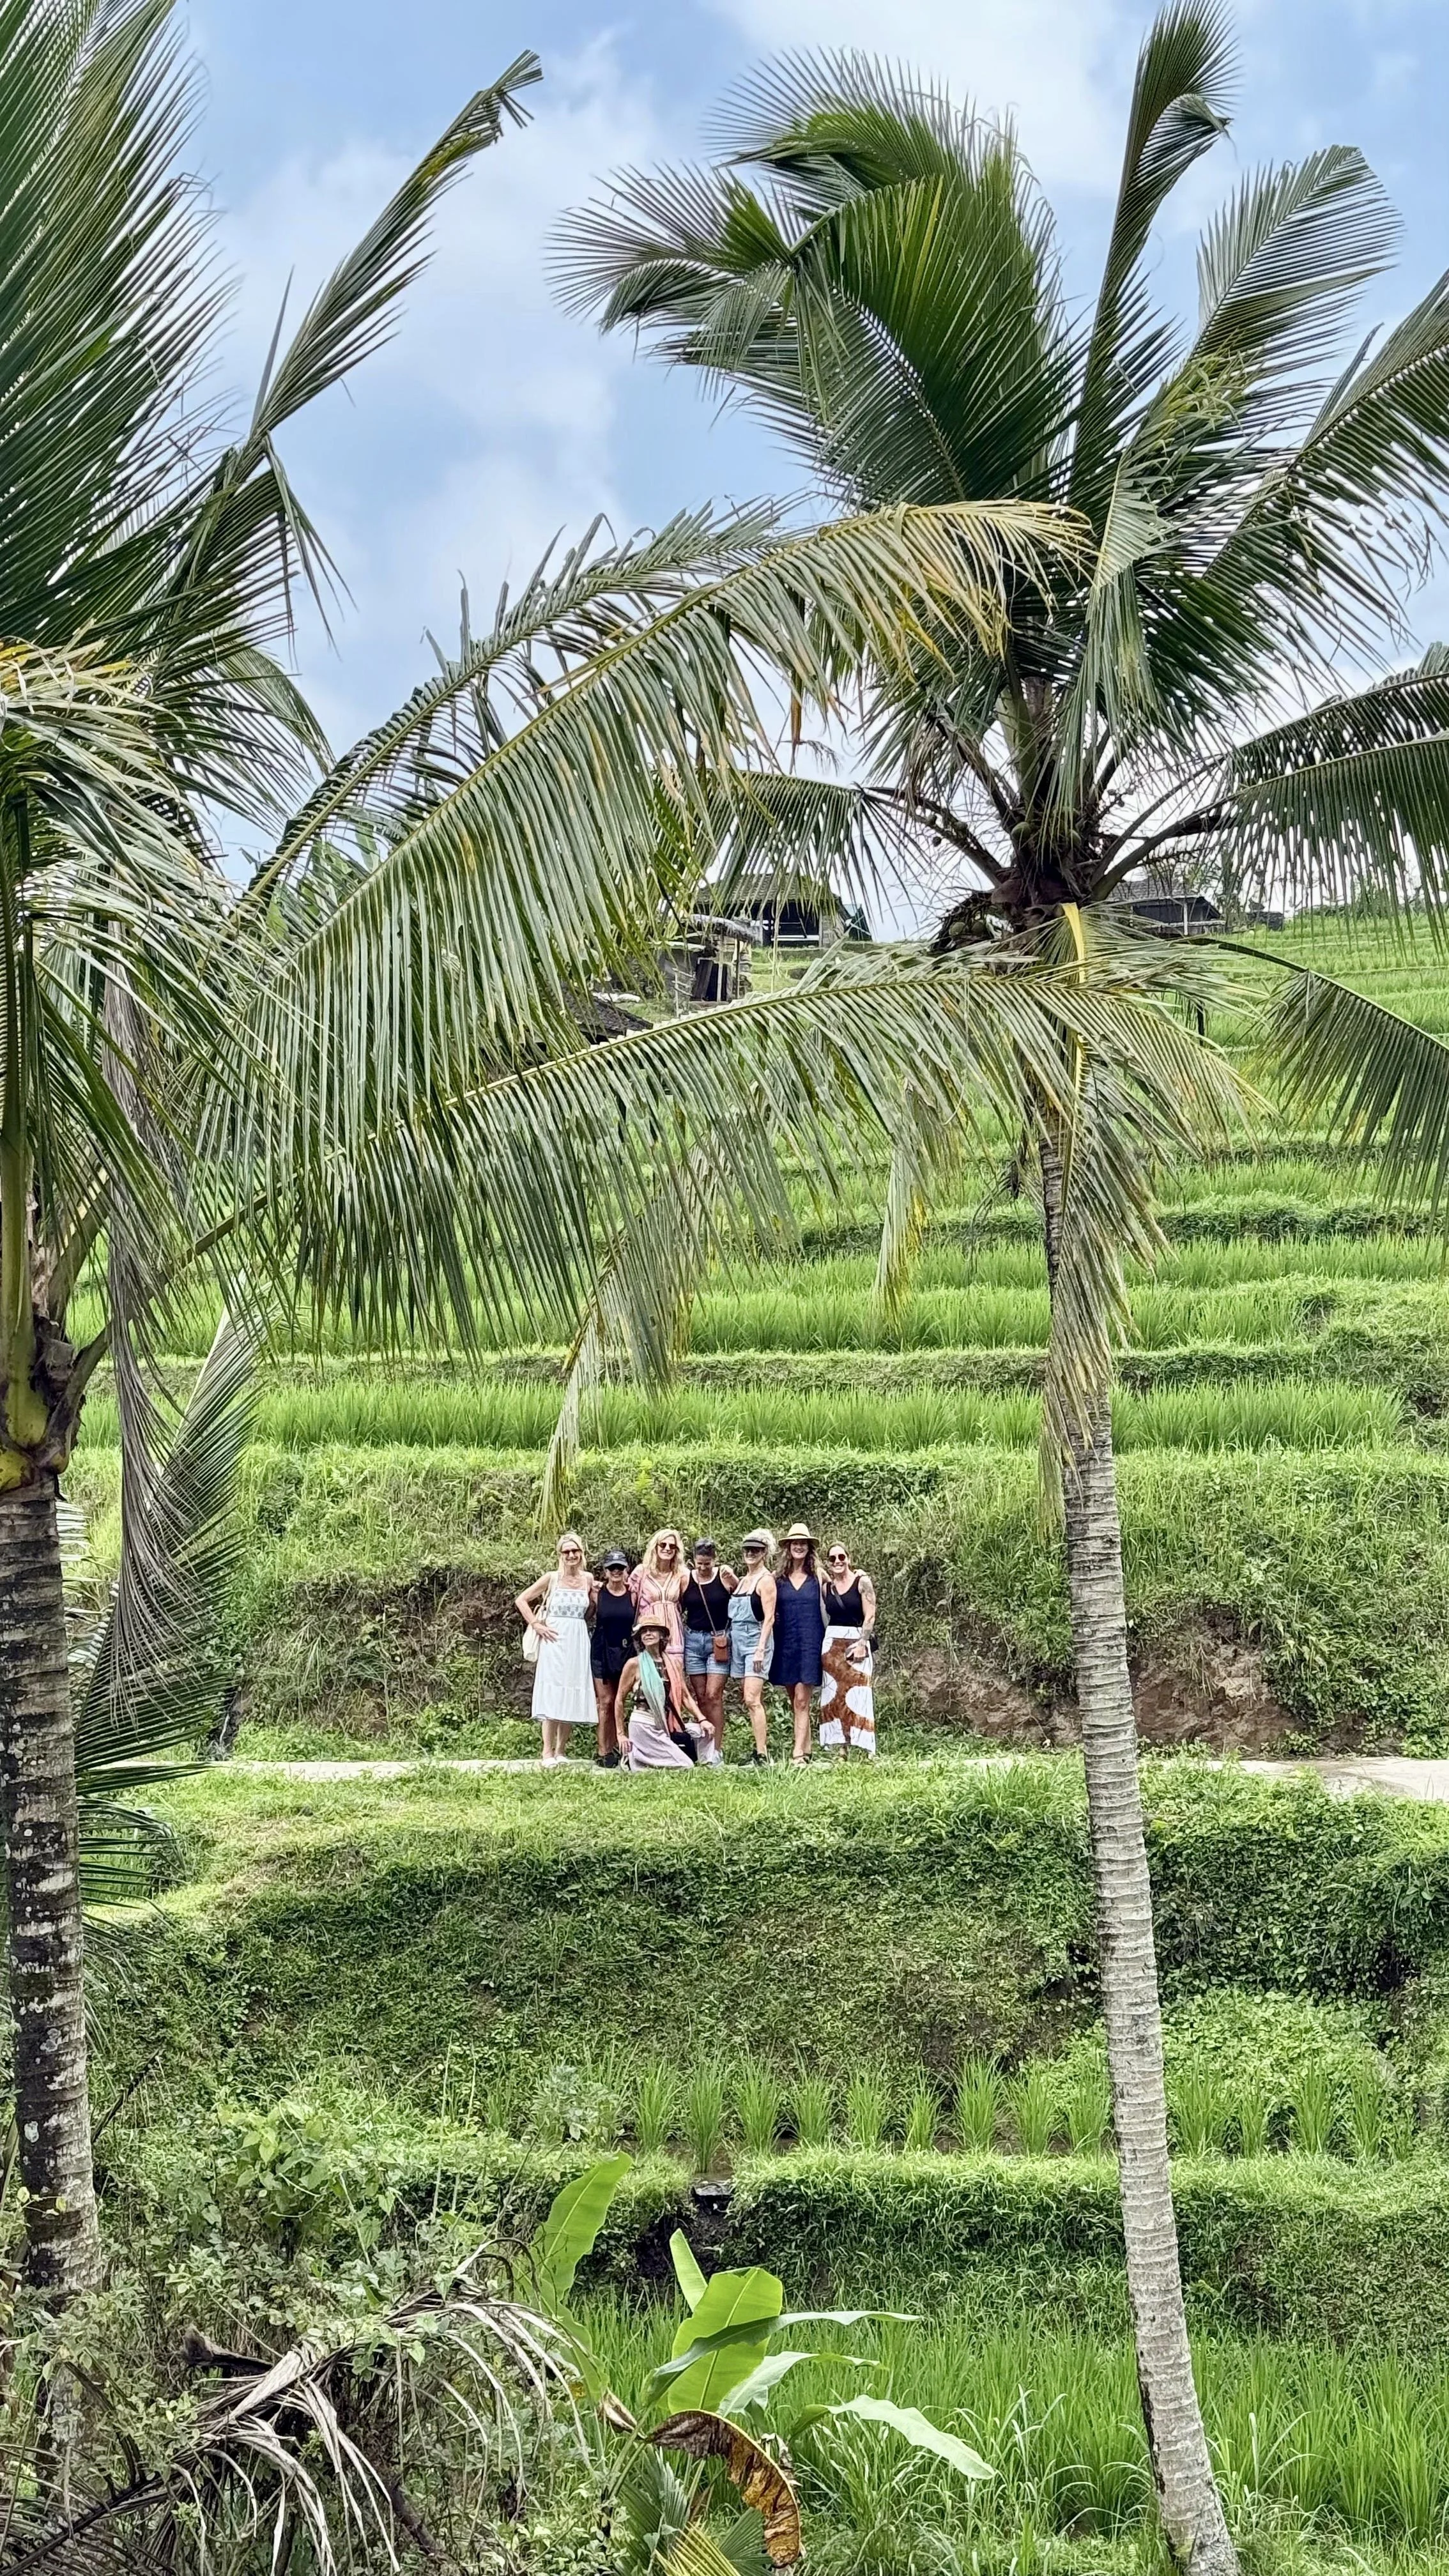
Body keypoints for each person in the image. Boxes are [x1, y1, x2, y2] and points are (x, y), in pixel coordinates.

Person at [516, 1534, 595, 1766]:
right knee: (553, 1691)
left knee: (570, 1690)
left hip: (578, 1637)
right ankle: (547, 1752)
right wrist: (536, 1624)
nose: (571, 1556)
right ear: (560, 1555)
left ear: (581, 1553)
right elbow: (522, 1600)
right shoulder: (551, 1578)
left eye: (575, 1551)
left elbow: (589, 1610)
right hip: (554, 1637)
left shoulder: (588, 1579)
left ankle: (561, 1750)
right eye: (566, 1552)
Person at [616, 1615, 709, 1770]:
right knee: (685, 1765)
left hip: (665, 1722)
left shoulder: (673, 1663)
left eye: (652, 1630)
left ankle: (708, 1763)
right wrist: (621, 1734)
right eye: (644, 1632)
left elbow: (685, 1696)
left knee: (704, 1733)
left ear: (662, 1636)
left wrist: (702, 1719)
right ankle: (636, 1756)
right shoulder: (634, 1664)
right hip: (643, 1723)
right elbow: (620, 1699)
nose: (648, 1634)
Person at [772, 1522, 826, 1765]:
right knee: (793, 1697)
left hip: (810, 1643)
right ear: (788, 1547)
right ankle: (807, 1746)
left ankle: (797, 1755)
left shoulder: (819, 1577)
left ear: (809, 1548)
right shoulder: (778, 1579)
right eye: (795, 1543)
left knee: (802, 1700)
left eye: (803, 1543)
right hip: (786, 1644)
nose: (799, 1547)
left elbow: (840, 1590)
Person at [819, 1542, 878, 1758]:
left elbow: (870, 1614)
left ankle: (866, 1746)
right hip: (833, 1643)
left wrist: (863, 1642)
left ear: (849, 1558)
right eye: (833, 1558)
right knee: (836, 1696)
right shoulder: (827, 1587)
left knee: (860, 1694)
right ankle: (841, 1746)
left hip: (856, 1641)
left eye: (841, 1557)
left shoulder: (862, 1582)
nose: (838, 1562)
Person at [681, 1535, 737, 1753]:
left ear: (715, 1560)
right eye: (700, 1564)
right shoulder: (687, 1579)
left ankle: (717, 1749)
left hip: (718, 1641)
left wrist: (733, 1578)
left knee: (714, 1695)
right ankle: (704, 1747)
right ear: (693, 1561)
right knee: (701, 1696)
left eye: (708, 1564)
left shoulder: (723, 1577)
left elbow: (743, 1596)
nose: (703, 1568)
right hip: (693, 1640)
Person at [727, 1528, 777, 1765]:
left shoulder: (765, 1581)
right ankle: (757, 1750)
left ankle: (762, 1753)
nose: (750, 1553)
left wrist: (760, 1648)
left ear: (764, 1553)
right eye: (747, 1549)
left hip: (756, 1641)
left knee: (752, 1698)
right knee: (747, 1698)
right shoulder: (743, 1581)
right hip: (737, 1640)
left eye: (755, 1550)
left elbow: (769, 1618)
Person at [590, 1549, 635, 1767]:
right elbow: (586, 1614)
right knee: (605, 1702)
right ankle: (604, 1750)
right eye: (612, 1568)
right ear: (605, 1572)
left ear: (626, 1570)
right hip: (602, 1651)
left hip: (626, 1651)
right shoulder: (596, 1594)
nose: (616, 1571)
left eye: (620, 1568)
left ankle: (622, 1745)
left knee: (622, 1699)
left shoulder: (633, 1594)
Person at [629, 1530, 687, 1692]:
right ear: (655, 1547)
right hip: (649, 1634)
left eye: (672, 1546)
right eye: (663, 1544)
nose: (667, 1548)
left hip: (674, 1635)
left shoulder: (681, 1574)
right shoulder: (642, 1572)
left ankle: (674, 1718)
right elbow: (630, 1604)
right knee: (651, 1683)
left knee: (675, 1685)